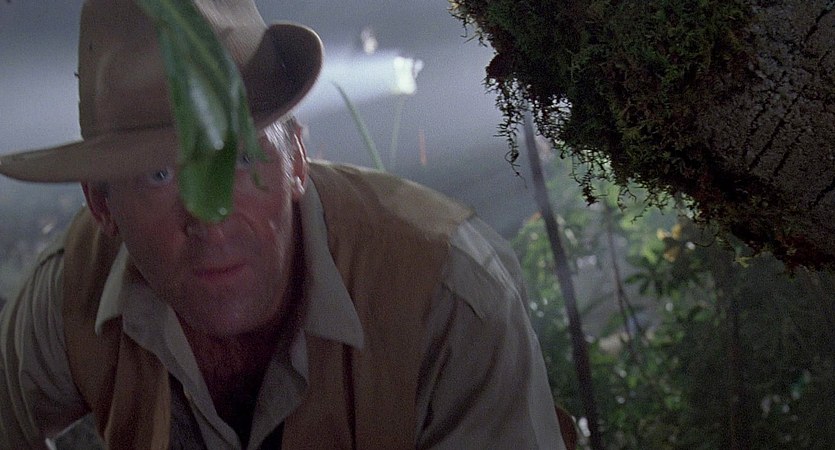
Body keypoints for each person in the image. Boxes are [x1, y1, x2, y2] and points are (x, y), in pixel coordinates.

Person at [0, 0, 570, 449]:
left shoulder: (447, 294)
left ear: (297, 159)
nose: (212, 219)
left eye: (241, 157)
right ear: (101, 205)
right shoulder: (71, 293)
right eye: (159, 174)